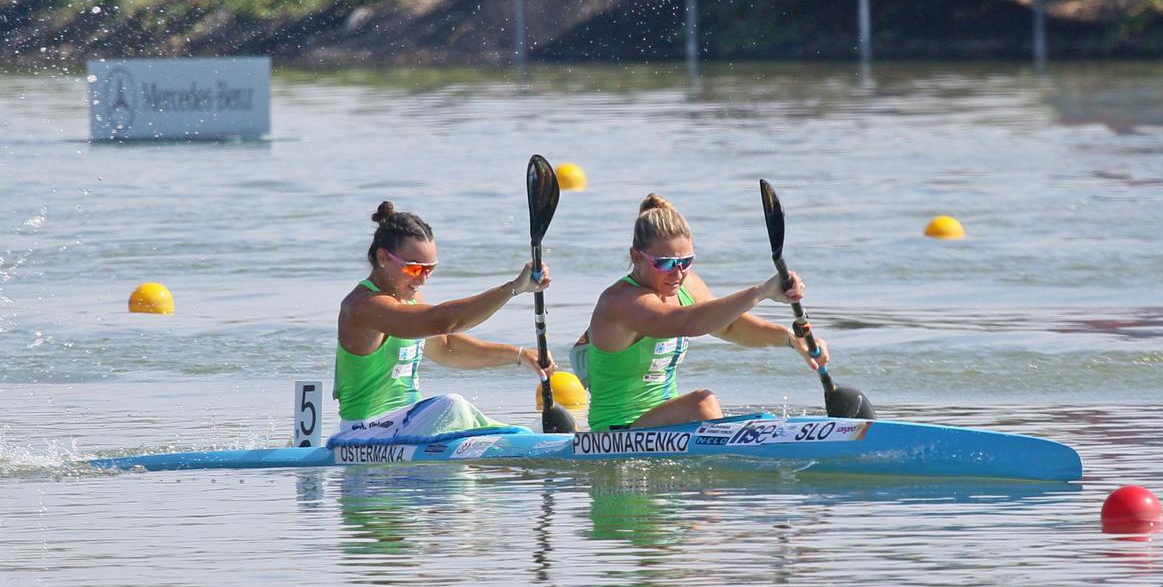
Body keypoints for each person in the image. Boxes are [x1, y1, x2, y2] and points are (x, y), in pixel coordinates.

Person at [580, 193, 829, 432]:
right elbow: (686, 322)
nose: (677, 273)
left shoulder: (687, 286)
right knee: (702, 402)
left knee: (710, 407)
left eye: (685, 262)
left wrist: (789, 338)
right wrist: (761, 291)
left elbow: (730, 326)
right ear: (636, 256)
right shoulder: (621, 302)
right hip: (615, 432)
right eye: (664, 263)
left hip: (665, 423)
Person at [331, 201, 555, 442]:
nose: (423, 279)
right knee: (452, 405)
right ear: (383, 257)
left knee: (522, 434)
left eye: (430, 269)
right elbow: (441, 322)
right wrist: (513, 288)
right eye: (416, 269)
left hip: (408, 428)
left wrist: (520, 355)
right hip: (364, 433)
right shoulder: (363, 306)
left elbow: (447, 347)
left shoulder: (408, 296)